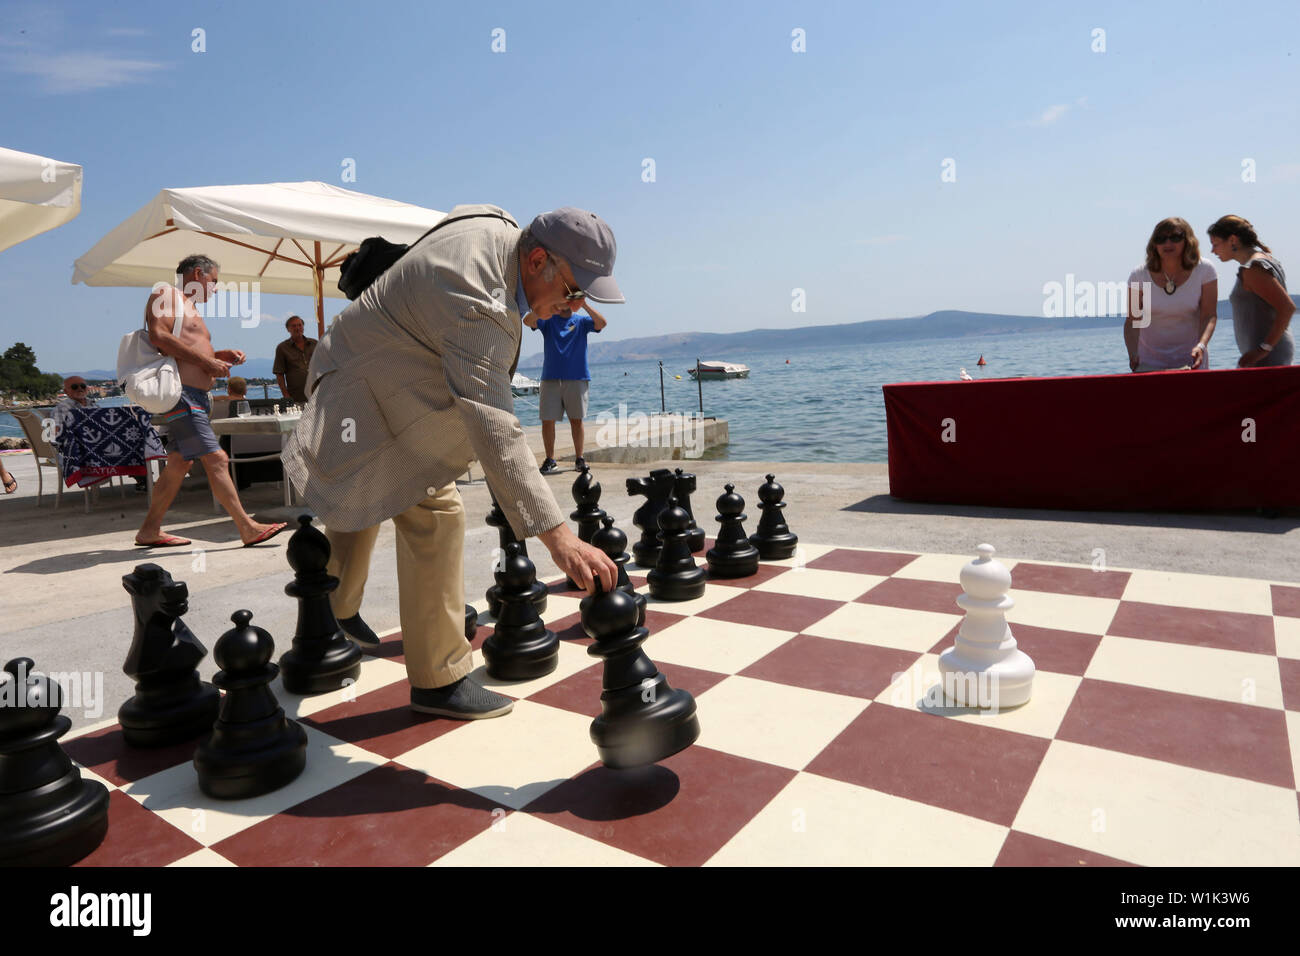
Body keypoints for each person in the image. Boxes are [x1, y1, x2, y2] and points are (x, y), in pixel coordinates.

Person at [282, 205, 621, 719]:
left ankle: (331, 612)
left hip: (365, 369)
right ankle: (438, 678)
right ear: (536, 261)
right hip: (358, 385)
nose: (573, 308)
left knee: (364, 488)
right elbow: (495, 426)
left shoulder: (498, 228)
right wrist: (560, 536)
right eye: (574, 291)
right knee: (435, 513)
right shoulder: (480, 305)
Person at [133, 254, 287, 548]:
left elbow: (185, 347)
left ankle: (149, 530)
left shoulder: (187, 305)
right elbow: (158, 336)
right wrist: (207, 360)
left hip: (196, 396)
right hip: (182, 396)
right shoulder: (166, 293)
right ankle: (247, 526)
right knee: (217, 459)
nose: (215, 289)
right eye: (214, 281)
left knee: (178, 463)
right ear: (197, 274)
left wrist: (219, 356)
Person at [1125, 218, 1218, 372]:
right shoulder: (1139, 275)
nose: (1167, 244)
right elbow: (1132, 321)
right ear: (1154, 244)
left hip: (1192, 360)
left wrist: (1201, 346)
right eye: (1161, 239)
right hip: (1149, 363)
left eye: (1175, 237)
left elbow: (1209, 316)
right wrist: (1133, 354)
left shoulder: (1205, 270)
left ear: (1187, 240)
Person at [524, 300, 607, 474]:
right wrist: (546, 304)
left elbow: (602, 323)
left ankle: (579, 458)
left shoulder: (581, 322)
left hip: (576, 377)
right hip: (550, 378)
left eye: (568, 298)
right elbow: (527, 321)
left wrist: (583, 304)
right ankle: (550, 459)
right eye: (562, 297)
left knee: (576, 420)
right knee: (547, 421)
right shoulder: (548, 320)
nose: (565, 301)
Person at [1206, 215, 1294, 367]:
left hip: (1267, 358)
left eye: (1215, 244)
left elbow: (1287, 308)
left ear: (1233, 240)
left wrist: (1263, 349)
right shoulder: (1264, 261)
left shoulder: (1254, 268)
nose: (1212, 250)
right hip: (1269, 353)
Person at [53, 375, 146, 493]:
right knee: (123, 449)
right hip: (77, 449)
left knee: (130, 444)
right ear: (66, 391)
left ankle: (143, 478)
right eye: (74, 387)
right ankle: (143, 480)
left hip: (95, 446)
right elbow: (56, 434)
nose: (79, 389)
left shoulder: (93, 404)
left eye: (82, 386)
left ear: (87, 388)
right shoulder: (62, 408)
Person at [273, 315, 317, 404]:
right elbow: (279, 374)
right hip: (296, 397)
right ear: (288, 329)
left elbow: (324, 366)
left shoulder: (315, 344)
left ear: (303, 327)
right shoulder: (282, 348)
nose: (297, 328)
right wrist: (286, 395)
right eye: (293, 326)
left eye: (299, 325)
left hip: (317, 394)